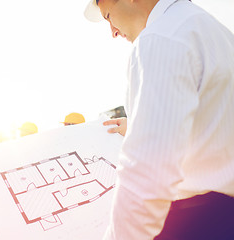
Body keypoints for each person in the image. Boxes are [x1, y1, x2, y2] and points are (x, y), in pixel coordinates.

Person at [84, 0, 234, 239]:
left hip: (195, 225)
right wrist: (137, 126)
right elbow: (213, 122)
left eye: (109, 15)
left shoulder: (160, 38)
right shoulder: (214, 30)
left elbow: (147, 177)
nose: (112, 31)